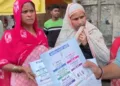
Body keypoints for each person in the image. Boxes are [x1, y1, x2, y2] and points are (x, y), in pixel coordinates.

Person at [0, 0, 48, 86]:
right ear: (18, 14)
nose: (29, 15)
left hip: (43, 81)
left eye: (32, 11)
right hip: (21, 82)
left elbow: (46, 55)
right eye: (25, 12)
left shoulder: (41, 33)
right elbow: (2, 63)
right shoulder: (10, 35)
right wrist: (22, 68)